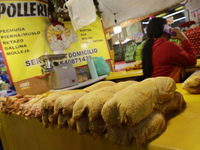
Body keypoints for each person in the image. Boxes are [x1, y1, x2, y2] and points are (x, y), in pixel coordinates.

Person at [142, 18, 197, 82]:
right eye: (168, 26)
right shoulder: (169, 46)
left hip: (157, 87)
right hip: (168, 87)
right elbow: (192, 60)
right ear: (164, 27)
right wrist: (184, 39)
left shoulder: (150, 47)